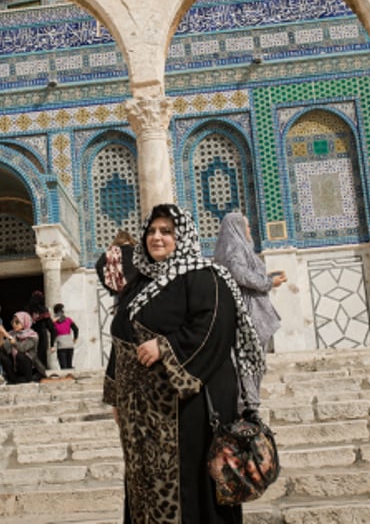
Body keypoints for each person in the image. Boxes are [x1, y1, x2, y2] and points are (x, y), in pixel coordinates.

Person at [105, 203, 264, 523]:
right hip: (143, 417)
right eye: (151, 231)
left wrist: (166, 346)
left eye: (166, 231)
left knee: (190, 488)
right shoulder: (138, 285)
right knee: (145, 488)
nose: (157, 237)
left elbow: (215, 327)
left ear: (184, 236)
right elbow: (121, 339)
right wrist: (116, 396)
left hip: (189, 407)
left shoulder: (206, 277)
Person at [211, 210, 285, 411]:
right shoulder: (234, 247)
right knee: (249, 360)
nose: (249, 229)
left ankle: (249, 404)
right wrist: (268, 282)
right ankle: (248, 407)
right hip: (249, 314)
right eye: (246, 225)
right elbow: (239, 273)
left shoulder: (234, 248)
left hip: (251, 311)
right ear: (237, 228)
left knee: (252, 361)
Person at [0, 310, 46, 384]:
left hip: (32, 369)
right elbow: (5, 349)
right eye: (13, 322)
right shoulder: (12, 334)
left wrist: (10, 338)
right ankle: (13, 379)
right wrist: (0, 337)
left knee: (20, 356)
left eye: (17, 322)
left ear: (25, 322)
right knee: (3, 357)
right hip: (16, 368)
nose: (14, 324)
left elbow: (22, 348)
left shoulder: (32, 336)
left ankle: (28, 379)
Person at [96, 229, 138, 296]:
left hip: (120, 290)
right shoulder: (137, 251)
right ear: (129, 238)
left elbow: (98, 265)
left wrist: (107, 285)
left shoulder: (111, 252)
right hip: (137, 288)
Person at [26, 289, 56, 371]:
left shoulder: (28, 310)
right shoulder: (43, 310)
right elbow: (52, 328)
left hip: (29, 336)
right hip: (41, 335)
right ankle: (41, 371)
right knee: (41, 355)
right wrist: (52, 344)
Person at [52, 302, 80, 370]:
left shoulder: (54, 322)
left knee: (63, 367)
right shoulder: (68, 320)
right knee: (69, 365)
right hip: (70, 344)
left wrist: (52, 345)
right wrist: (75, 338)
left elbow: (53, 334)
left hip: (61, 346)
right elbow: (76, 329)